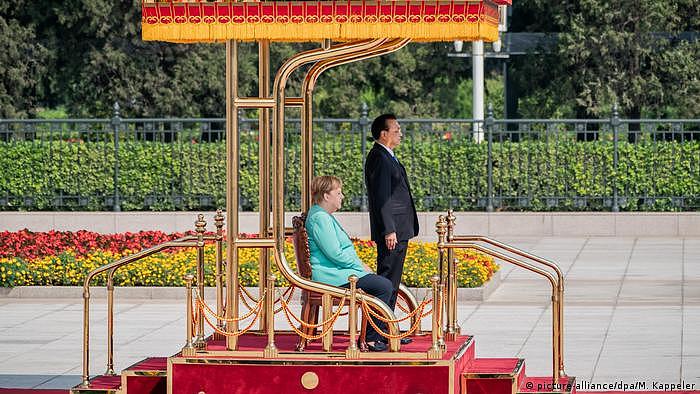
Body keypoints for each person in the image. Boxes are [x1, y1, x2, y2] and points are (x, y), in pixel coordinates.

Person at [305, 175, 393, 352]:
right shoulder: (320, 218)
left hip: (338, 272)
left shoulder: (321, 215)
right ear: (326, 196)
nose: (342, 196)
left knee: (381, 284)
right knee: (383, 286)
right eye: (338, 193)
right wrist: (360, 266)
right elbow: (335, 253)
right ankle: (371, 338)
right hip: (333, 276)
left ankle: (376, 334)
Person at [364, 114, 418, 345]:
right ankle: (375, 335)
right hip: (392, 232)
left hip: (399, 229)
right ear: (383, 134)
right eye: (396, 130)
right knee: (386, 282)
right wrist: (389, 230)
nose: (400, 133)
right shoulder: (379, 158)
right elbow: (382, 197)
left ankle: (388, 330)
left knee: (392, 284)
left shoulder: (388, 156)